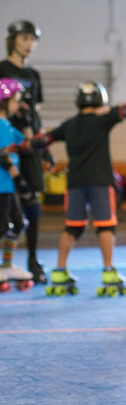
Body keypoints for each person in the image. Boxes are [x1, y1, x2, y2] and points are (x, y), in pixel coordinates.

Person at [27, 82, 126, 297]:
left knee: (72, 227)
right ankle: (108, 271)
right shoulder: (104, 117)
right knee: (106, 226)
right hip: (100, 181)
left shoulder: (69, 124)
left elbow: (41, 141)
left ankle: (59, 271)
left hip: (75, 182)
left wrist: (19, 145)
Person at [0, 20, 47, 283]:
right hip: (6, 143)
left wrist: (44, 147)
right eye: (24, 38)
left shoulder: (34, 75)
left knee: (32, 201)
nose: (29, 44)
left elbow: (37, 114)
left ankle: (32, 259)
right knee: (6, 206)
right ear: (13, 40)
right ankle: (6, 263)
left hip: (28, 144)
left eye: (33, 39)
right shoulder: (1, 69)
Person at [0, 78, 34, 289]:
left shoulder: (8, 125)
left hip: (7, 186)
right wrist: (18, 178)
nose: (18, 104)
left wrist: (27, 120)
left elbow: (29, 144)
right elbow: (3, 156)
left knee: (19, 224)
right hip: (2, 185)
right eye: (15, 100)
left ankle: (6, 265)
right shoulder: (1, 124)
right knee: (3, 227)